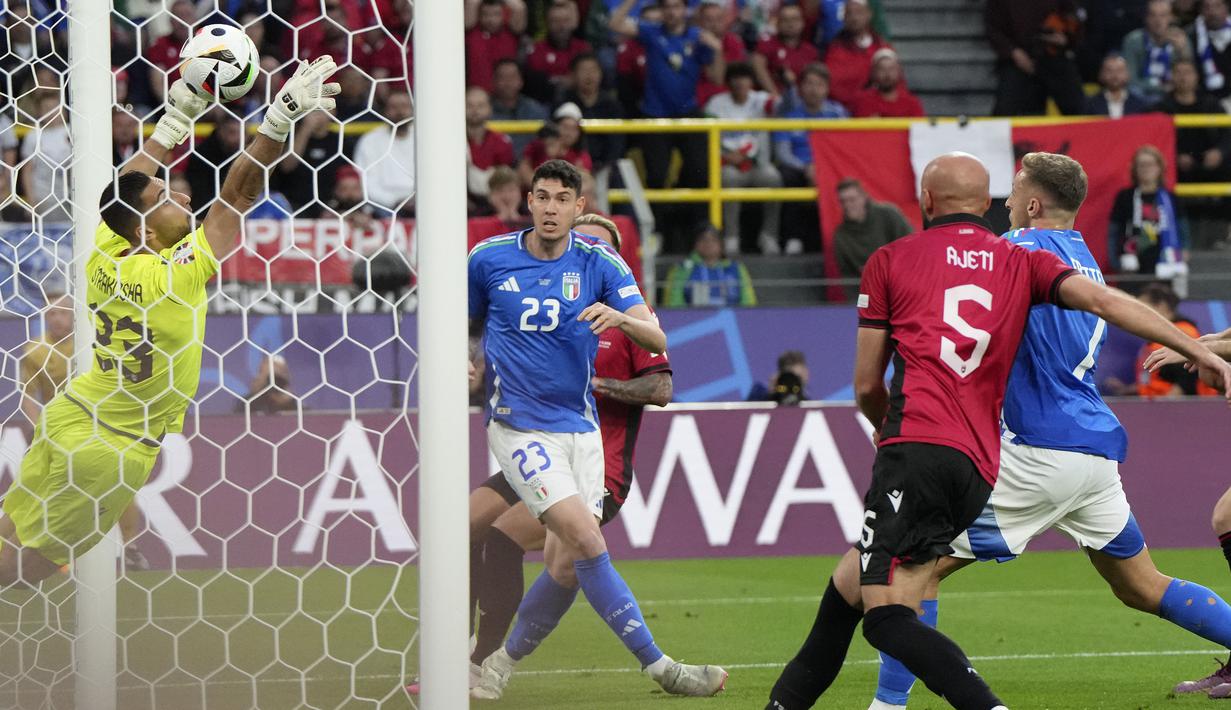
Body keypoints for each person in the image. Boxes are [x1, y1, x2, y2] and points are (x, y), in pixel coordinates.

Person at [764, 152, 1231, 710]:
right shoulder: (1089, 264)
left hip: (1033, 449)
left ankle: (887, 706)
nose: (1005, 204)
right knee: (1142, 586)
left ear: (1032, 204)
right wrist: (1196, 347)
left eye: (1013, 194)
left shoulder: (1011, 252)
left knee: (916, 568)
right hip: (1092, 452)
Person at [0, 57, 339, 587]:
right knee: (30, 565)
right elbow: (238, 196)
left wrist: (177, 117)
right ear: (150, 234)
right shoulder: (174, 276)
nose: (182, 196)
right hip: (110, 448)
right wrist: (279, 117)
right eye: (167, 201)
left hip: (72, 414)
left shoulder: (107, 253)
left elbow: (126, 190)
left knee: (9, 527)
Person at [466, 160, 725, 700]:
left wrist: (618, 325)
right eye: (543, 198)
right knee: (492, 530)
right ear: (531, 203)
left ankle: (490, 664)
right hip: (525, 431)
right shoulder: (495, 263)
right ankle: (660, 668)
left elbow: (658, 361)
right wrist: (466, 363)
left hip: (590, 445)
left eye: (564, 200)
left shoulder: (605, 284)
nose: (553, 210)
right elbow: (474, 328)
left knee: (567, 562)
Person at [406, 212, 673, 696]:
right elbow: (511, 366)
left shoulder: (629, 317)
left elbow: (662, 386)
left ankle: (484, 660)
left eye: (599, 245)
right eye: (583, 241)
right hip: (535, 443)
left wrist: (599, 384)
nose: (585, 251)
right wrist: (474, 371)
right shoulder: (536, 301)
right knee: (461, 527)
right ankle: (456, 651)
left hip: (597, 462)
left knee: (539, 554)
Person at [609, 0, 724, 253]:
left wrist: (717, 49)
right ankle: (656, 232)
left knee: (700, 175)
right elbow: (615, 23)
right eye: (668, 7)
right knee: (657, 176)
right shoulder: (652, 31)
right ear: (662, 11)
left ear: (685, 10)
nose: (672, 12)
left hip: (688, 115)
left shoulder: (697, 37)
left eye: (677, 6)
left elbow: (717, 77)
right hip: (655, 114)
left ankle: (702, 235)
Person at [704, 62, 783, 255]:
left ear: (752, 81)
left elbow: (784, 106)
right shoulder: (716, 103)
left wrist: (782, 84)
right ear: (728, 82)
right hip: (728, 164)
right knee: (728, 179)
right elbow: (704, 138)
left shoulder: (761, 100)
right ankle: (732, 237)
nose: (740, 82)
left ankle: (769, 236)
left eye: (745, 77)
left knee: (774, 178)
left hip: (758, 165)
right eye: (735, 78)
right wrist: (724, 156)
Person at [774, 63, 847, 255]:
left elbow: (846, 150)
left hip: (830, 167)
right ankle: (793, 238)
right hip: (798, 168)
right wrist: (806, 167)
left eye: (819, 84)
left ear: (827, 88)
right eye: (809, 84)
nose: (814, 89)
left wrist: (822, 168)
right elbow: (782, 153)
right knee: (787, 177)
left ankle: (837, 238)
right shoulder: (789, 116)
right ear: (800, 88)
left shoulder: (839, 115)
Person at [1108, 145, 1190, 289]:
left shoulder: (1171, 198)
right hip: (1132, 265)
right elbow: (1113, 232)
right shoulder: (1124, 197)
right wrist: (1115, 261)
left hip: (1165, 262)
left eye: (1151, 164)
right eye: (1142, 165)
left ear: (1160, 168)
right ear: (1135, 169)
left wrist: (1184, 252)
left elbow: (1183, 229)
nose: (1146, 169)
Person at [984, 0, 1085, 116]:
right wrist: (1013, 52)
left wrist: (1066, 38)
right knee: (1004, 112)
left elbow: (1074, 19)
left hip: (1054, 55)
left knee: (1079, 109)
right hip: (1017, 59)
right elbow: (992, 27)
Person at [1134, 281, 1218, 397]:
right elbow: (1161, 377)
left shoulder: (1183, 333)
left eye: (1142, 308)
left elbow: (1187, 378)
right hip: (1155, 408)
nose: (1135, 315)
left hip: (1184, 410)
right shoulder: (1159, 336)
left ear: (1161, 306)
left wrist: (1168, 407)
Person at [832, 178, 912, 295]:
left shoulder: (889, 214)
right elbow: (848, 278)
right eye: (843, 201)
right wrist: (859, 304)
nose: (847, 205)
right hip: (869, 294)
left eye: (852, 200)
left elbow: (911, 247)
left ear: (864, 197)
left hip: (904, 283)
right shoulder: (840, 236)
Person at [1159, 59, 1231, 184]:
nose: (1183, 77)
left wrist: (1220, 152)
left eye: (1187, 73)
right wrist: (1174, 156)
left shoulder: (1212, 104)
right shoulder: (1161, 107)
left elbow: (1227, 133)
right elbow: (1155, 138)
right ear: (1171, 77)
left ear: (1196, 76)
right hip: (1175, 169)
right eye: (1178, 73)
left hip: (1214, 167)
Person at [662, 223, 758, 307]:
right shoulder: (681, 269)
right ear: (695, 244)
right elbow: (673, 303)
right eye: (703, 239)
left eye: (714, 240)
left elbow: (748, 303)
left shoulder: (736, 269)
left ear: (721, 244)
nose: (708, 244)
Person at [353, 89, 415, 215]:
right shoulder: (370, 140)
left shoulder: (424, 138)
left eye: (404, 106)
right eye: (393, 107)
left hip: (421, 202)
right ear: (385, 111)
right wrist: (394, 201)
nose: (399, 112)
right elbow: (366, 181)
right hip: (383, 205)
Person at [824, 0, 892, 107]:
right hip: (846, 111)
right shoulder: (835, 49)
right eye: (849, 13)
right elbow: (833, 85)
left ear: (869, 15)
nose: (854, 18)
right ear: (844, 18)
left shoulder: (882, 47)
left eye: (859, 12)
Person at [1122, 0, 1192, 103]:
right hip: (1142, 94)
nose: (1158, 20)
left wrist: (1183, 52)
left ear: (1171, 17)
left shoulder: (1181, 39)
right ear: (1146, 18)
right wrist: (1161, 88)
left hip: (1174, 94)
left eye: (1163, 15)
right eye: (1152, 15)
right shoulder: (1133, 40)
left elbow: (1190, 78)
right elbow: (1131, 80)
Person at [524, 0, 591, 104]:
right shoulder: (537, 49)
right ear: (548, 23)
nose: (561, 26)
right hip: (545, 102)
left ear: (572, 23)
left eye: (565, 21)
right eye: (556, 21)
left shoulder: (582, 48)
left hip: (579, 101)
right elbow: (537, 81)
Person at [752, 3, 820, 104]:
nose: (790, 24)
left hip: (802, 105)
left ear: (802, 23)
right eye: (785, 20)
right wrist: (775, 96)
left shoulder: (811, 51)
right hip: (770, 102)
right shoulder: (766, 44)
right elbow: (758, 66)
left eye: (795, 19)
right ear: (778, 23)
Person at [489, 59, 550, 157]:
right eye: (502, 77)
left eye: (512, 77)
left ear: (521, 81)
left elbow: (547, 143)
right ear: (494, 81)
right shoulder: (485, 111)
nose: (508, 82)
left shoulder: (535, 110)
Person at [464, 0, 527, 93]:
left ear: (503, 16)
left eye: (496, 14)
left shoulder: (510, 34)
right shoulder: (472, 33)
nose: (491, 19)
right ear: (479, 16)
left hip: (505, 95)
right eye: (485, 14)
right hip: (477, 95)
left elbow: (519, 7)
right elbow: (472, 2)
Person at [850, 48, 924, 118]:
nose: (887, 74)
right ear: (873, 73)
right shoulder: (862, 101)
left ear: (899, 72)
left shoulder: (912, 103)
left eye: (891, 69)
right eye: (882, 69)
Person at [1083, 53, 1156, 118]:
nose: (1115, 75)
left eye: (1119, 70)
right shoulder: (1091, 104)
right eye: (1109, 71)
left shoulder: (1140, 104)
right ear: (1101, 74)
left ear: (1128, 74)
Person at [1191, 0, 1231, 105]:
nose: (1212, 12)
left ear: (1227, 8)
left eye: (1217, 6)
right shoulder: (1191, 35)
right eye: (1206, 7)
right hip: (1204, 98)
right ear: (1200, 11)